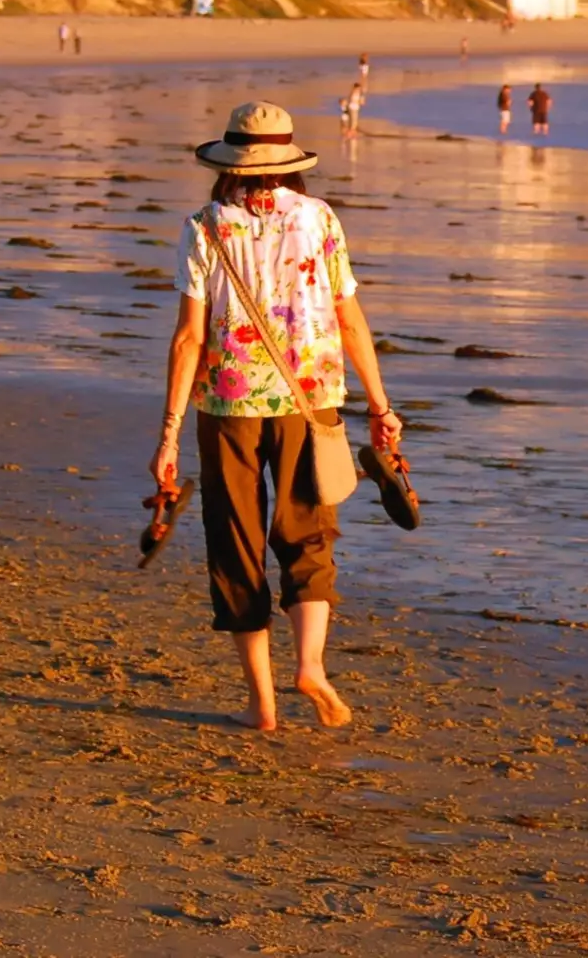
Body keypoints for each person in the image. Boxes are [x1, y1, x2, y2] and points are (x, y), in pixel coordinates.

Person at [149, 101, 403, 731]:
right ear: (289, 161)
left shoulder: (204, 226)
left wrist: (170, 435)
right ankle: (310, 665)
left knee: (234, 539)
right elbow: (348, 319)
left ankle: (261, 704)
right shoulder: (318, 218)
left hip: (226, 404)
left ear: (228, 162)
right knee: (308, 533)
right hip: (309, 401)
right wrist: (380, 405)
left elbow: (189, 338)